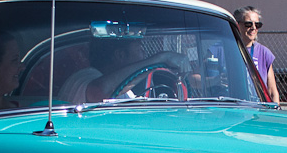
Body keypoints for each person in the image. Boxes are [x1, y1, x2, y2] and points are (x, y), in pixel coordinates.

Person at [58, 38, 191, 104]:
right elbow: (101, 91)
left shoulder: (122, 87)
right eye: (139, 50)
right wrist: (158, 59)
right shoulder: (85, 76)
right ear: (120, 55)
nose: (144, 54)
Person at [234, 7, 280, 103]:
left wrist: (275, 112)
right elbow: (198, 77)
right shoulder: (222, 50)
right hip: (232, 107)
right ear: (237, 25)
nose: (253, 28)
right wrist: (217, 79)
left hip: (257, 109)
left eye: (257, 24)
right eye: (248, 24)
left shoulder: (264, 53)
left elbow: (272, 91)